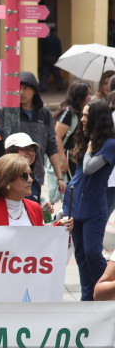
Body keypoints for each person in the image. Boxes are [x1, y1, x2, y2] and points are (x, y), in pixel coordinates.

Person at [63, 100, 115, 301]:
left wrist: (91, 145)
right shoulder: (85, 141)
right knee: (82, 257)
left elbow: (88, 168)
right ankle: (87, 299)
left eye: (86, 115)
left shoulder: (109, 144)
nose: (82, 119)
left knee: (93, 253)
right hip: (74, 204)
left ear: (97, 118)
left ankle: (106, 290)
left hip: (94, 207)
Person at [0, 71, 67, 198]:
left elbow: (52, 147)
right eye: (18, 88)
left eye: (26, 88)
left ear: (35, 90)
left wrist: (60, 178)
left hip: (36, 175)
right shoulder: (5, 111)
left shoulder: (44, 113)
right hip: (11, 176)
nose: (21, 92)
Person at [0, 153, 73, 231]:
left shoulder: (35, 207)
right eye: (24, 176)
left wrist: (59, 226)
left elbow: (41, 240)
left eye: (30, 174)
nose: (30, 180)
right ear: (7, 181)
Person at [51, 82, 91, 202]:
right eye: (87, 94)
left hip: (74, 156)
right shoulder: (69, 112)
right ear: (79, 96)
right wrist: (63, 160)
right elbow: (57, 136)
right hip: (68, 156)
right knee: (71, 187)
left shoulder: (80, 111)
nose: (89, 97)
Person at [40, 26, 64, 92]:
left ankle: (43, 87)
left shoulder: (46, 39)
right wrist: (59, 58)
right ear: (55, 32)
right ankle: (60, 87)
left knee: (45, 74)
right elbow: (59, 50)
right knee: (57, 73)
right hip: (54, 58)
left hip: (46, 58)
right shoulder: (57, 40)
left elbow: (43, 49)